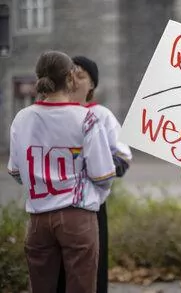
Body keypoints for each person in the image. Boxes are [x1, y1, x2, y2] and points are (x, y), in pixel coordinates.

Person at [7, 51, 116, 293]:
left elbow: (15, 172)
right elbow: (104, 175)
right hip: (76, 216)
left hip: (37, 220)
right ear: (70, 78)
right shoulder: (86, 118)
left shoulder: (22, 118)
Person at [56, 56, 132, 293]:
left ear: (92, 85)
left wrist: (94, 164)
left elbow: (123, 158)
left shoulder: (101, 115)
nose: (74, 80)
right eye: (70, 75)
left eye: (81, 76)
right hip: (54, 204)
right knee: (55, 271)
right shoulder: (50, 114)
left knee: (91, 271)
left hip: (91, 206)